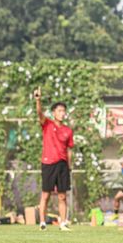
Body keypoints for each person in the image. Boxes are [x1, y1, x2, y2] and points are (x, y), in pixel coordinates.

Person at [34, 87, 73, 231]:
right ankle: (42, 222)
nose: (62, 113)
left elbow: (69, 149)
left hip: (62, 165)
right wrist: (38, 100)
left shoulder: (68, 131)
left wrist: (69, 166)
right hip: (48, 163)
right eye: (59, 111)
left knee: (62, 196)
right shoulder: (47, 124)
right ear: (53, 113)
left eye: (63, 111)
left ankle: (63, 223)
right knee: (46, 194)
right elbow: (39, 113)